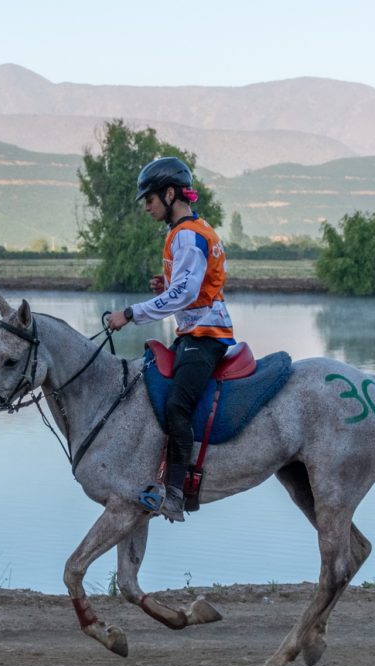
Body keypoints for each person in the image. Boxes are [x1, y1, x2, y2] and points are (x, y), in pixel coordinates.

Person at [105, 157, 234, 522]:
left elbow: (183, 295)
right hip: (194, 331)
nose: (147, 206)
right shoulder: (188, 230)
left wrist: (130, 314)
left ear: (170, 193)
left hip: (205, 335)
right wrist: (170, 282)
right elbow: (192, 284)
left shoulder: (188, 235)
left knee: (178, 406)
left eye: (150, 199)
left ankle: (176, 492)